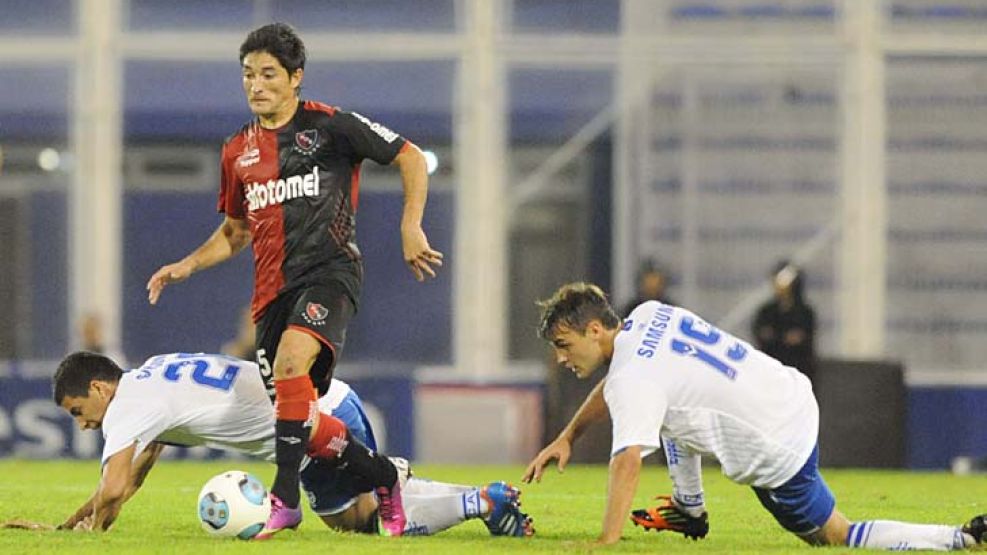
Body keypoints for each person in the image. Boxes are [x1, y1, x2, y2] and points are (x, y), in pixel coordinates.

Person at [144, 23, 443, 538]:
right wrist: (188, 264)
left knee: (290, 363)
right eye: (247, 75)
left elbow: (411, 156)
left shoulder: (331, 126)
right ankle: (385, 475)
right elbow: (236, 231)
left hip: (330, 273)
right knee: (296, 416)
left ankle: (284, 501)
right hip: (271, 295)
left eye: (267, 74)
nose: (255, 85)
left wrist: (410, 224)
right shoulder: (237, 150)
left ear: (295, 77)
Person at [522, 282, 984, 549]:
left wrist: (606, 541)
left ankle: (959, 538)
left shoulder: (631, 380)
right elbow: (628, 381)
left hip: (778, 447)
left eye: (564, 345)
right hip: (790, 393)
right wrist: (569, 436)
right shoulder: (649, 313)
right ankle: (691, 509)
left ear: (596, 330)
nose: (562, 358)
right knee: (672, 407)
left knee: (836, 535)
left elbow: (626, 459)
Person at [11, 351, 532, 538]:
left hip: (308, 426)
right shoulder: (150, 376)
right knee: (373, 496)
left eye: (80, 411)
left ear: (99, 389)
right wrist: (74, 525)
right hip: (318, 408)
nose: (83, 425)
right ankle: (486, 497)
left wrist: (88, 533)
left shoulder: (124, 407)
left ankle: (480, 502)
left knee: (360, 521)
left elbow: (116, 485)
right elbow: (135, 476)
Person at [752, 261, 817, 385]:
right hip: (771, 372)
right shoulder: (766, 312)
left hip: (799, 371)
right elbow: (761, 334)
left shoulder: (805, 313)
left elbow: (802, 339)